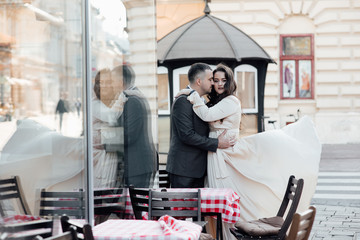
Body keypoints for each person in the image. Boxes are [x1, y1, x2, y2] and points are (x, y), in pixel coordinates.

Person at [179, 63, 321, 239]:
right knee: (217, 200)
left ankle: (228, 236)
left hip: (223, 155)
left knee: (224, 200)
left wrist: (192, 94)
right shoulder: (216, 101)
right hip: (216, 153)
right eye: (216, 80)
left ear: (230, 81)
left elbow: (207, 115)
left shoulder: (231, 101)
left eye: (224, 80)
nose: (220, 84)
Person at [166, 62, 235, 189]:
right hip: (184, 170)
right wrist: (216, 143)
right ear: (199, 81)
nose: (213, 83)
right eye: (210, 80)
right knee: (182, 208)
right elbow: (187, 135)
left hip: (199, 169)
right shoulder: (182, 101)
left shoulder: (203, 103)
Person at [111, 64, 158, 188]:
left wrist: (104, 141)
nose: (111, 85)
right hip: (137, 165)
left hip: (138, 166)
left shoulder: (132, 101)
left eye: (112, 81)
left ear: (121, 81)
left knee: (136, 205)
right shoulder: (132, 97)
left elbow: (129, 134)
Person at [92, 68, 121, 188]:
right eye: (100, 82)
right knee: (102, 191)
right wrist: (123, 97)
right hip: (101, 156)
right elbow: (112, 116)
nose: (103, 86)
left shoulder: (111, 102)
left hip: (111, 152)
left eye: (108, 82)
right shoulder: (94, 104)